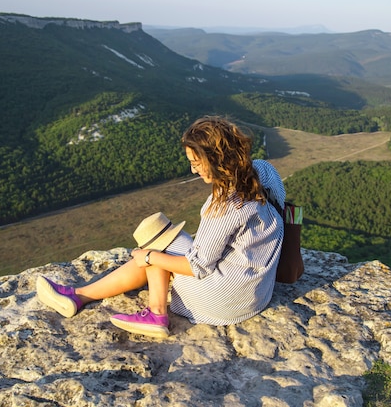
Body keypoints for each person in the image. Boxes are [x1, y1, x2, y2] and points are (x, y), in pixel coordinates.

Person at [36, 116, 285, 338]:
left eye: (196, 162)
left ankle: (152, 312)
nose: (193, 169)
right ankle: (79, 295)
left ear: (215, 159)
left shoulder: (222, 205)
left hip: (223, 300)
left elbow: (197, 266)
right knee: (162, 246)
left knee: (157, 238)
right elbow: (282, 207)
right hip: (256, 293)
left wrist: (149, 257)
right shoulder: (262, 171)